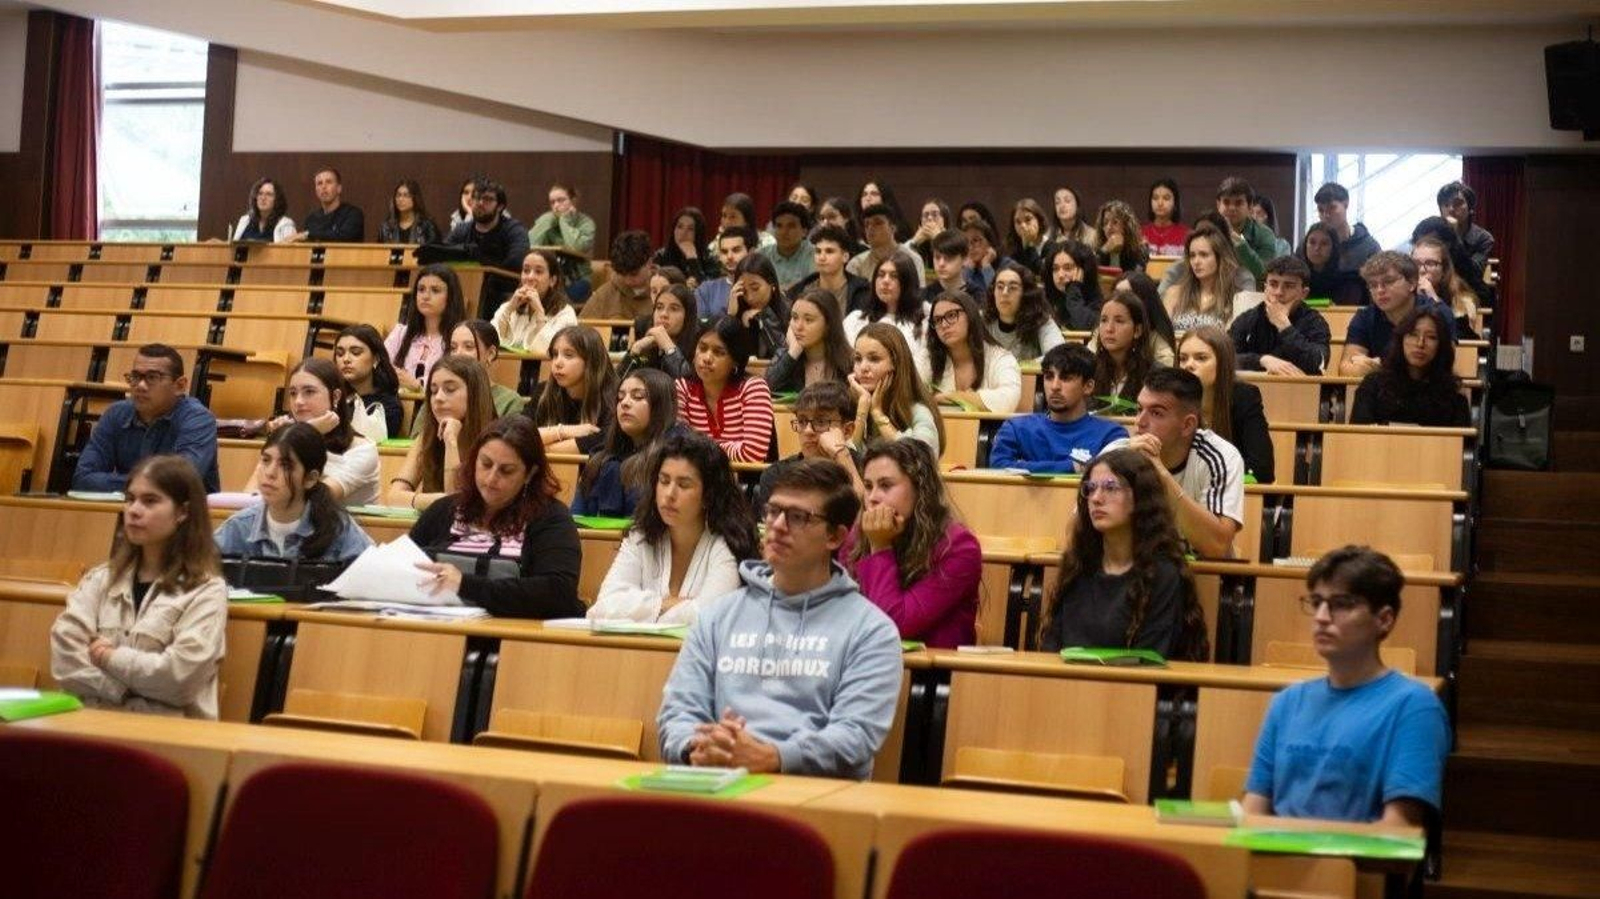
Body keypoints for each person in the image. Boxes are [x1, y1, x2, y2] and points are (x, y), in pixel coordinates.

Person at [656, 459, 903, 779]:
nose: (778, 525)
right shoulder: (719, 615)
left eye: (798, 517)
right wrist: (696, 749)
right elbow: (678, 711)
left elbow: (854, 737)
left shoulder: (872, 631)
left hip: (812, 798)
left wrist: (774, 757)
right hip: (713, 784)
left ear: (835, 537)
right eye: (773, 511)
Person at [1243, 546, 1450, 824]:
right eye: (1317, 602)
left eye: (1341, 604)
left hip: (1354, 867)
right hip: (1272, 864)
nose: (1321, 617)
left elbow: (1397, 834)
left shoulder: (1414, 707)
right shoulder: (1287, 702)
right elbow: (1252, 812)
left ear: (1384, 619)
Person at [51, 455, 228, 718]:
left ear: (183, 512)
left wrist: (110, 658)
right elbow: (65, 658)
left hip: (165, 739)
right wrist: (122, 692)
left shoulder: (205, 590)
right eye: (130, 499)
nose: (133, 510)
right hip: (92, 727)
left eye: (150, 501)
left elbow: (179, 679)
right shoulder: (100, 579)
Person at [1039, 448, 1209, 660]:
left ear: (1140, 496)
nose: (1096, 498)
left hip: (1133, 690)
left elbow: (1149, 659)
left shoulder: (1164, 574)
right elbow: (1051, 649)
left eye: (1110, 487)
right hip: (1069, 687)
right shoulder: (1078, 566)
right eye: (1090, 489)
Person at [409, 416, 584, 619]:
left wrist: (465, 585)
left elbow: (559, 593)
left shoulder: (551, 519)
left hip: (508, 641)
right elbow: (402, 566)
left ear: (530, 474)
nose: (491, 479)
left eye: (506, 471)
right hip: (432, 631)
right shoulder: (443, 511)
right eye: (485, 464)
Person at [589, 431, 758, 625]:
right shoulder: (641, 535)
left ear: (709, 495)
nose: (669, 494)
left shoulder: (727, 544)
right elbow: (602, 607)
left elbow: (710, 617)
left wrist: (638, 610)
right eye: (664, 481)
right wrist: (665, 604)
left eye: (684, 485)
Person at [843, 439, 980, 648]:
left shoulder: (959, 547)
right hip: (865, 664)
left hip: (933, 675)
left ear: (919, 488)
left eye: (886, 485)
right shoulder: (858, 537)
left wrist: (880, 547)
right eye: (868, 486)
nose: (872, 497)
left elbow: (893, 625)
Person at [1105, 367, 1245, 559]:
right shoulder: (1115, 455)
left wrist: (1159, 472)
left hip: (1202, 581)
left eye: (1156, 413)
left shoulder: (1220, 456)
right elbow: (1074, 538)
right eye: (1139, 409)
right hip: (1132, 578)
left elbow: (1217, 547)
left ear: (1187, 425)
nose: (1140, 422)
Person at [73, 344, 220, 493]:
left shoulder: (198, 420)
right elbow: (83, 479)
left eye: (152, 377)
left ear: (179, 386)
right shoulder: (116, 414)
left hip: (187, 514)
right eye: (135, 377)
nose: (141, 386)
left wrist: (122, 483)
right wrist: (149, 485)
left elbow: (181, 481)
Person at [215, 424, 374, 562]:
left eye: (285, 465)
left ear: (310, 479)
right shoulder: (238, 528)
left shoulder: (340, 530)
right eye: (266, 460)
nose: (270, 473)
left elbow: (371, 582)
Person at [253, 358, 381, 504]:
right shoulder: (290, 439)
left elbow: (310, 502)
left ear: (336, 396)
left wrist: (304, 434)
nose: (298, 401)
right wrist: (280, 440)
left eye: (309, 392)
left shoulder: (363, 450)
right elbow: (254, 495)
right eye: (293, 393)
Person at [990, 343, 1126, 473]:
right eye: (1049, 377)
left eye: (1066, 378)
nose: (1054, 386)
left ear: (1088, 386)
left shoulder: (1111, 435)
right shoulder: (1016, 428)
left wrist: (1024, 465)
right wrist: (1074, 467)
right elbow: (999, 469)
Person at [386, 355, 497, 511]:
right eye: (433, 391)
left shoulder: (497, 441)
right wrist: (434, 501)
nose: (438, 398)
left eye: (450, 390)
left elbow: (457, 507)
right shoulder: (426, 437)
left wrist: (451, 442)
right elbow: (393, 497)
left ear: (475, 393)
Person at [571, 368, 682, 517]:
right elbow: (576, 517)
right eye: (620, 397)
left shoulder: (677, 453)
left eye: (637, 397)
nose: (625, 403)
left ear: (661, 405)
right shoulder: (600, 457)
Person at [1178, 326, 1274, 484]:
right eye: (1183, 359)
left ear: (1222, 362)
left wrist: (1213, 479)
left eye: (1201, 358)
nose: (1189, 365)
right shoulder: (1171, 401)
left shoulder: (1244, 397)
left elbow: (1262, 471)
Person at [1350, 305, 1470, 427]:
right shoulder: (1373, 386)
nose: (1420, 343)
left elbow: (1463, 443)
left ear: (1441, 345)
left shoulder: (1453, 394)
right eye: (1413, 334)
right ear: (1401, 339)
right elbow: (1358, 436)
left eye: (1431, 337)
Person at [675, 315, 774, 463]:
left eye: (718, 352)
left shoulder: (753, 388)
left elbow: (753, 454)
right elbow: (678, 449)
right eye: (702, 348)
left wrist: (698, 448)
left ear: (735, 360)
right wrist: (730, 447)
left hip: (745, 481)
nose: (707, 358)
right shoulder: (682, 388)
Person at [1340, 251, 1455, 377]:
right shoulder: (1364, 317)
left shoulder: (1438, 313)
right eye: (1373, 285)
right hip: (1380, 392)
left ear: (1412, 283)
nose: (1380, 290)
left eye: (1388, 282)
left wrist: (1380, 368)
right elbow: (1346, 369)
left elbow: (1442, 367)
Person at [756, 380, 864, 510]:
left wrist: (841, 455)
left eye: (821, 421)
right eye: (802, 421)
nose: (808, 431)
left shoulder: (866, 469)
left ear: (847, 430)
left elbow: (868, 514)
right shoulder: (777, 474)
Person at [850, 323, 944, 457]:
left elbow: (920, 459)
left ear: (896, 363)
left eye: (874, 359)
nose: (863, 367)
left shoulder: (918, 411)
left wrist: (878, 414)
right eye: (858, 359)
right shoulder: (851, 405)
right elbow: (846, 466)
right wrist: (862, 411)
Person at [1229, 255, 1332, 376]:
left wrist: (1285, 327)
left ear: (1303, 293)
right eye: (1273, 284)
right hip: (1254, 389)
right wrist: (1262, 360)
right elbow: (1224, 358)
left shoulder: (1315, 322)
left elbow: (1318, 364)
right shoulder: (1248, 318)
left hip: (1299, 391)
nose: (1279, 292)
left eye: (1288, 286)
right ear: (1265, 288)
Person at [445, 179, 530, 318]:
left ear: (500, 206)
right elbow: (442, 254)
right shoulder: (462, 230)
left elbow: (517, 262)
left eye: (487, 199)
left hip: (501, 290)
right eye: (476, 198)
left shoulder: (514, 230)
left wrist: (481, 263)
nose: (479, 203)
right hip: (463, 288)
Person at [928, 290, 1023, 413]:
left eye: (951, 315)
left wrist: (952, 397)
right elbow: (907, 396)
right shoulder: (928, 358)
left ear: (970, 315)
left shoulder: (1000, 358)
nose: (944, 325)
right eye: (938, 320)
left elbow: (1007, 401)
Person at [527, 325, 618, 453]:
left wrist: (538, 449)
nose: (557, 363)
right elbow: (517, 434)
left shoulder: (613, 398)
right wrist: (563, 431)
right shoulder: (543, 392)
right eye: (554, 354)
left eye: (568, 355)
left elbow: (602, 441)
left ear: (591, 361)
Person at [844, 254, 933, 382]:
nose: (885, 281)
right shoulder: (855, 320)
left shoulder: (924, 322)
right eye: (881, 275)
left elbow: (922, 375)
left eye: (894, 276)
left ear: (907, 282)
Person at [386, 264, 467, 391]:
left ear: (451, 297)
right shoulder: (400, 333)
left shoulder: (459, 340)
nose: (426, 296)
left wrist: (417, 386)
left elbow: (458, 385)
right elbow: (380, 371)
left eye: (435, 290)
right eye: (421, 289)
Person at [765, 287, 854, 394]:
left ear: (828, 325)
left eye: (808, 320)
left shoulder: (849, 361)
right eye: (794, 317)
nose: (798, 327)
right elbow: (765, 389)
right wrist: (793, 353)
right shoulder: (785, 357)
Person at [493, 248, 579, 354]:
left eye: (538, 272)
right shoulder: (508, 306)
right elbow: (491, 341)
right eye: (526, 270)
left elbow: (553, 353)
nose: (530, 277)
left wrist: (539, 313)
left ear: (552, 280)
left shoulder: (565, 313)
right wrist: (509, 309)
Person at [1164, 226, 1243, 332]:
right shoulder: (1174, 293)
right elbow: (1162, 336)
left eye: (1203, 255)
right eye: (1192, 256)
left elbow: (1232, 342)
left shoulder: (1236, 299)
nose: (1196, 262)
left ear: (1219, 258)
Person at [1090, 290, 1158, 413]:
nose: (1109, 329)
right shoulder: (1089, 370)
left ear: (1137, 330)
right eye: (1104, 320)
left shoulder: (1155, 375)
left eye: (1119, 321)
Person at [528, 183, 597, 300]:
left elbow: (576, 247)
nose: (556, 206)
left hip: (578, 279)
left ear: (573, 201)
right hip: (549, 278)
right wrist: (548, 220)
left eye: (561, 200)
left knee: (558, 300)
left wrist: (564, 221)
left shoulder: (586, 223)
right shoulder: (548, 221)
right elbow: (531, 244)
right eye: (552, 202)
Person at [983, 262, 1063, 362]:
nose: (1004, 293)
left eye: (1013, 288)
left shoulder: (1041, 321)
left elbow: (1059, 355)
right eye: (1000, 287)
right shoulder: (983, 322)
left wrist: (1013, 368)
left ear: (1026, 294)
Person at [335, 324, 404, 440]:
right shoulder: (333, 397)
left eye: (356, 352)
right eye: (340, 354)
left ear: (376, 358)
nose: (345, 359)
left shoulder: (387, 407)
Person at [787, 224, 871, 319]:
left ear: (845, 257)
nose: (822, 257)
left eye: (829, 251)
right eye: (818, 251)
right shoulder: (800, 290)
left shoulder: (862, 292)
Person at [621, 282, 700, 380]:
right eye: (659, 307)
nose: (664, 314)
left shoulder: (698, 348)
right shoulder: (646, 344)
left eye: (674, 309)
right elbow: (618, 387)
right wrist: (635, 350)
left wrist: (669, 348)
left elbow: (687, 387)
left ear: (687, 317)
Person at [449, 320, 524, 418]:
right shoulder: (440, 394)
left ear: (491, 354)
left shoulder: (509, 401)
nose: (458, 354)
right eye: (453, 348)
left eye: (468, 347)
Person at [1412, 236, 1481, 340]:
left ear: (1444, 269)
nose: (1421, 270)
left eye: (1430, 263)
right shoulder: (1403, 296)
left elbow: (1465, 342)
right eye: (1416, 264)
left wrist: (1434, 300)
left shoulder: (1461, 301)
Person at [846, 204, 925, 289]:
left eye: (878, 223)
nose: (870, 228)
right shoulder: (856, 264)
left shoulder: (912, 258)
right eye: (867, 224)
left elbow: (918, 295)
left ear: (893, 228)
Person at [579, 230, 653, 321]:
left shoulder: (664, 289)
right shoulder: (604, 295)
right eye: (622, 274)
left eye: (634, 274)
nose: (628, 281)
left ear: (649, 263)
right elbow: (580, 330)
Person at [1214, 177, 1276, 281]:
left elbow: (1264, 274)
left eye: (1238, 203)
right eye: (1226, 202)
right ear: (1218, 205)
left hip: (1252, 293)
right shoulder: (1207, 230)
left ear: (1250, 206)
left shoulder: (1265, 234)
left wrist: (1238, 242)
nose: (1232, 208)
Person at [729, 253, 789, 360]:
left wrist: (765, 320)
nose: (750, 298)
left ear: (772, 284)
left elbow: (785, 357)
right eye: (744, 291)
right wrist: (731, 317)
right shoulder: (738, 312)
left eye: (755, 288)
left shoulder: (791, 312)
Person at [1313, 182, 1381, 275]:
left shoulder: (1368, 247)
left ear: (1346, 204)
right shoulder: (1310, 246)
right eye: (1321, 210)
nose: (1326, 215)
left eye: (1332, 208)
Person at [1297, 222, 1366, 306]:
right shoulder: (1296, 279)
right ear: (1305, 246)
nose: (1317, 248)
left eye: (1324, 243)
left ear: (1334, 248)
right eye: (1312, 242)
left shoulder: (1348, 281)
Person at [695, 226, 756, 319]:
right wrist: (730, 315)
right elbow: (699, 329)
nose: (729, 256)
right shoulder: (706, 290)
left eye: (736, 250)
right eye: (724, 252)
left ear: (751, 253)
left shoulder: (763, 288)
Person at [1043, 240, 1102, 331]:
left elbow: (1084, 327)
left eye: (1068, 268)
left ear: (1083, 270)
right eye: (1055, 269)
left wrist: (1073, 291)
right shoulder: (1043, 299)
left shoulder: (1096, 299)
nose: (1060, 275)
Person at [1437, 180, 1495, 273]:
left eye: (1457, 203)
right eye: (1446, 205)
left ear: (1470, 209)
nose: (1451, 209)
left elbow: (1473, 272)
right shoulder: (1434, 234)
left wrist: (1454, 236)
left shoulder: (1484, 239)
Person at [295, 167, 364, 243]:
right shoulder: (311, 219)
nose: (323, 187)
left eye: (328, 182)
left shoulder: (353, 214)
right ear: (316, 191)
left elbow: (344, 237)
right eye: (319, 183)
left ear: (339, 188)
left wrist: (308, 234)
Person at [760, 201, 816, 292]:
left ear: (804, 232)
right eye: (779, 226)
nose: (784, 232)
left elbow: (813, 289)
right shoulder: (761, 255)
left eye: (791, 226)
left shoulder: (816, 254)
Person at [652, 207, 715, 287]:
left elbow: (710, 289)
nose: (683, 233)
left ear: (698, 233)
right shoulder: (661, 256)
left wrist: (692, 259)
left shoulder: (709, 257)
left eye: (690, 229)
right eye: (680, 227)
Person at [923, 228, 986, 305]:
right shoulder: (924, 296)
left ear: (964, 259)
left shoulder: (977, 295)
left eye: (949, 258)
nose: (941, 263)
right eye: (937, 257)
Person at [377, 178, 440, 245]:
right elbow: (380, 253)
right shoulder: (386, 227)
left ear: (415, 198)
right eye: (398, 195)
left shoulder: (427, 226)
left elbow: (435, 252)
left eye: (406, 195)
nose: (401, 199)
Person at [232, 177, 295, 243]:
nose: (263, 198)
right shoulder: (245, 220)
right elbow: (234, 249)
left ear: (277, 200)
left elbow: (290, 252)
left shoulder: (286, 225)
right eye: (260, 193)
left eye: (269, 194)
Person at [1095, 199, 1150, 273]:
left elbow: (1135, 277)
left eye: (1115, 222)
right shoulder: (1100, 248)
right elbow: (1090, 272)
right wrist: (1105, 250)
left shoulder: (1140, 249)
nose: (1109, 227)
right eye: (1105, 223)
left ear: (1126, 226)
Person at [1005, 198, 1055, 272]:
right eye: (1018, 222)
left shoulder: (1052, 247)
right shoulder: (1013, 251)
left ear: (1039, 221)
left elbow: (1043, 273)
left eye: (1028, 219)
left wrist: (1029, 246)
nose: (1023, 226)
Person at [1142, 178, 1188, 256]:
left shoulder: (1187, 235)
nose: (1160, 203)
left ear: (1175, 203)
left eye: (1166, 198)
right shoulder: (1140, 234)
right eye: (1155, 198)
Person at [961, 218, 1007, 291]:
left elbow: (997, 294)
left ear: (989, 242)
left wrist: (986, 266)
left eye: (975, 240)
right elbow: (958, 295)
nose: (970, 247)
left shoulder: (1006, 265)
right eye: (966, 242)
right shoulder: (965, 269)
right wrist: (968, 269)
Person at [907, 199, 954, 268]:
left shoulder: (956, 240)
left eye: (935, 215)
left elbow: (954, 263)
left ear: (945, 221)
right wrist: (914, 241)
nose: (929, 218)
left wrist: (938, 238)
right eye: (925, 215)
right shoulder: (916, 243)